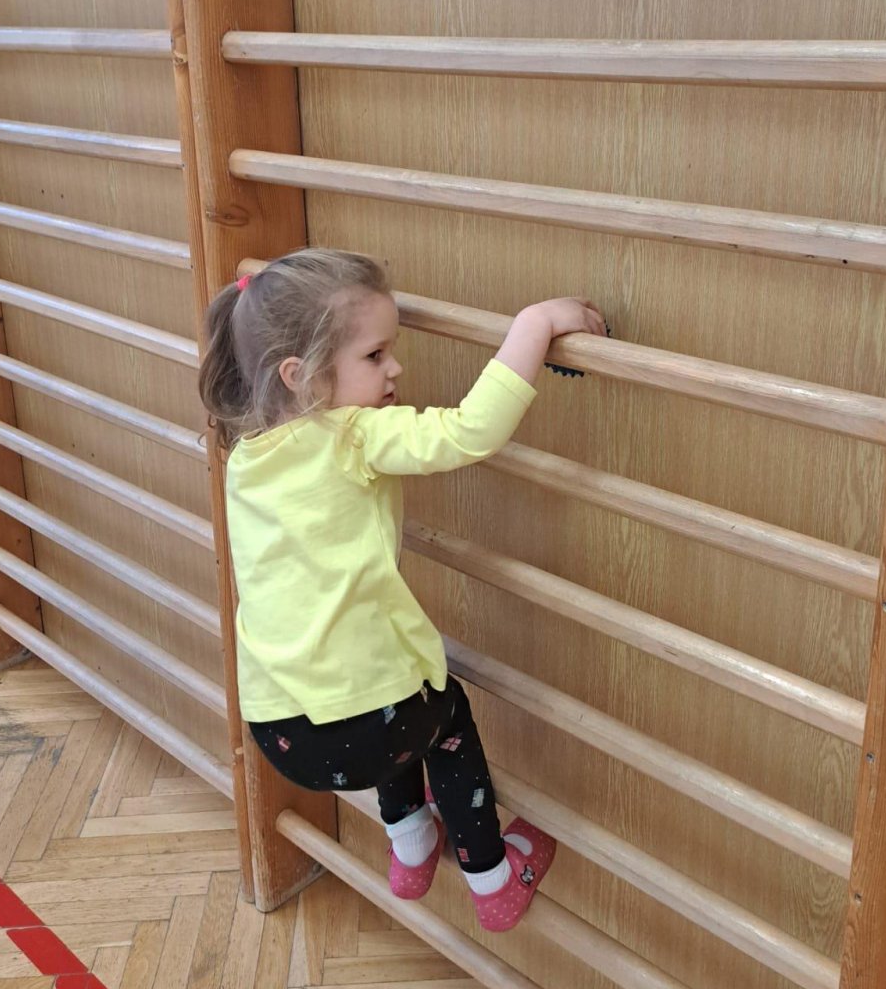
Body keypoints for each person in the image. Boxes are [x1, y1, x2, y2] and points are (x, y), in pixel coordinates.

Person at [199, 248, 605, 931]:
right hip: (368, 727)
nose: (396, 370)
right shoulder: (353, 435)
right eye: (375, 355)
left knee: (388, 700)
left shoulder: (245, 455)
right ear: (299, 375)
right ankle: (492, 877)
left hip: (277, 729)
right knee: (440, 718)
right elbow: (470, 432)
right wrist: (536, 323)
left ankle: (411, 844)